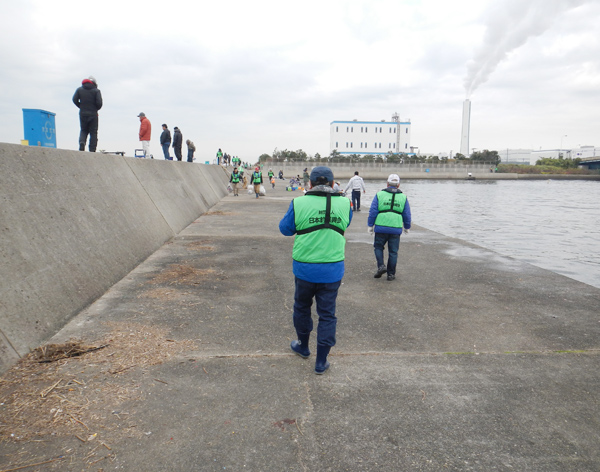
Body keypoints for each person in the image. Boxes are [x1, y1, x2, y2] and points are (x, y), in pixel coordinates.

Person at [279, 166, 352, 375]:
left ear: (309, 184)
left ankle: (303, 346)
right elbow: (346, 222)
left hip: (304, 268)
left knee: (302, 307)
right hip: (332, 268)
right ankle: (321, 361)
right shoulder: (345, 203)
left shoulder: (299, 202)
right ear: (332, 183)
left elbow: (285, 229)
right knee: (327, 314)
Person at [367, 174, 412, 281]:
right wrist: (407, 226)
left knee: (378, 247)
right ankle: (391, 274)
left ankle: (381, 266)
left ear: (387, 183)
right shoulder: (403, 197)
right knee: (393, 252)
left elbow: (373, 211)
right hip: (395, 228)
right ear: (398, 185)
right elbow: (407, 214)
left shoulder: (379, 195)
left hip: (381, 226)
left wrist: (370, 225)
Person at [72, 76, 103, 152]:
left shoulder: (79, 90)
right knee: (93, 132)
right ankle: (92, 150)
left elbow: (74, 99)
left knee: (83, 130)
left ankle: (82, 143)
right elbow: (99, 103)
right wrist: (95, 109)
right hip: (93, 114)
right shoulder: (96, 91)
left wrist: (81, 106)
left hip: (83, 113)